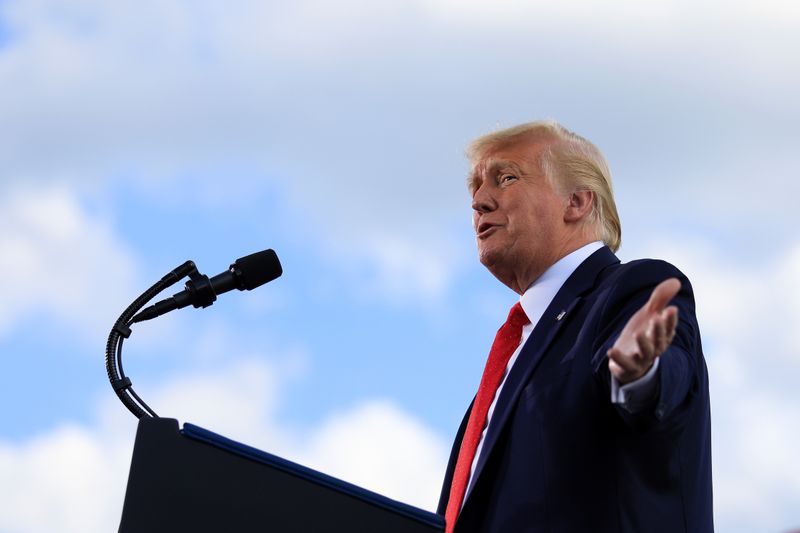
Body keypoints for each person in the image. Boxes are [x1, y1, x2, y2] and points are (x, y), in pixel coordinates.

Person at [437, 121, 713, 532]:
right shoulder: (513, 359)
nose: (478, 201)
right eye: (475, 187)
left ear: (577, 202)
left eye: (505, 178)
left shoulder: (631, 290)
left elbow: (666, 382)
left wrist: (640, 375)